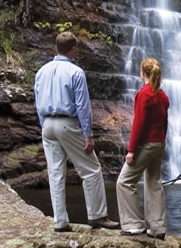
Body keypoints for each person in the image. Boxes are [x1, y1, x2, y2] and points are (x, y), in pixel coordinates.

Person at [33, 31, 119, 232]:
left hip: (48, 125)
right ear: (73, 50)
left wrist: (43, 125)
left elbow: (38, 102)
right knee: (91, 169)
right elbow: (82, 106)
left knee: (55, 173)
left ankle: (60, 221)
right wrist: (88, 135)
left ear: (56, 48)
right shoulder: (76, 73)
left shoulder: (41, 72)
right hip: (68, 124)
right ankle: (98, 216)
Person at [116, 57, 170, 239]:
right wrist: (162, 142)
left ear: (143, 74)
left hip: (146, 144)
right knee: (153, 181)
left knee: (124, 181)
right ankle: (158, 227)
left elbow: (139, 124)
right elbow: (165, 123)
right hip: (159, 143)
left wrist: (131, 150)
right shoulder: (162, 96)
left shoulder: (144, 94)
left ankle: (133, 224)